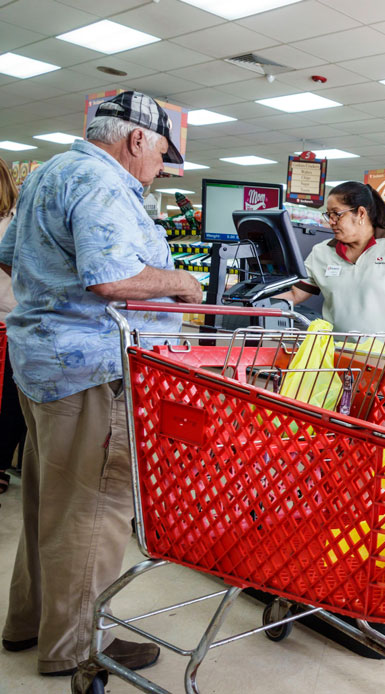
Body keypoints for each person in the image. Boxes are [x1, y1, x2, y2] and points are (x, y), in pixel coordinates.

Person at [0, 91, 203, 677]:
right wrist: (182, 284)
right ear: (136, 138)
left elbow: (9, 258)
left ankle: (29, 623)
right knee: (94, 509)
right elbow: (112, 279)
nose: (161, 166)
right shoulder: (105, 182)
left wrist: (55, 296)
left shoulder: (50, 172)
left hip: (40, 366)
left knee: (50, 503)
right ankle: (76, 646)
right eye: (162, 152)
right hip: (93, 370)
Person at [279, 181, 385, 344]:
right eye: (328, 214)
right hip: (340, 355)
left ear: (361, 213)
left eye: (336, 214)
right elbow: (295, 295)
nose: (330, 221)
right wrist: (254, 301)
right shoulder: (321, 252)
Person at [0, 157, 25, 498]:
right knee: (12, 403)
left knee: (9, 403)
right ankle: (3, 464)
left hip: (8, 323)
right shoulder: (17, 221)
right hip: (15, 321)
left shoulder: (12, 224)